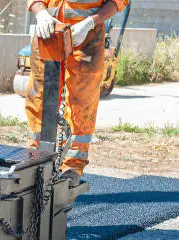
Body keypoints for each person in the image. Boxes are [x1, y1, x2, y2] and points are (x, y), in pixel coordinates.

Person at [25, 0, 129, 186]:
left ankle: (72, 167)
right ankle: (36, 156)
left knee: (81, 103)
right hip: (48, 31)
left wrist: (90, 22)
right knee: (39, 97)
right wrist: (41, 12)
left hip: (86, 36)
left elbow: (117, 1)